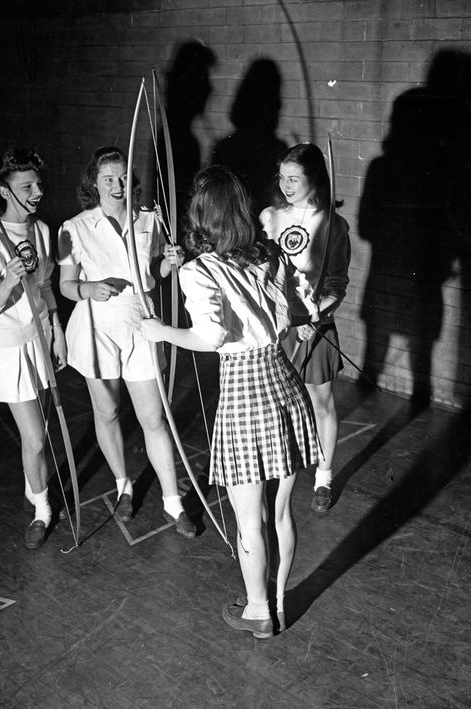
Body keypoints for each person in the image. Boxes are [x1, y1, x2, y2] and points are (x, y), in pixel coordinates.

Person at [141, 166, 319, 638]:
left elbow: (211, 335)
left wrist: (160, 331)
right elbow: (286, 319)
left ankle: (258, 610)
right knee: (278, 513)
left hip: (244, 394)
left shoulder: (200, 271)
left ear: (201, 217)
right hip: (282, 381)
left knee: (249, 520)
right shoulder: (263, 260)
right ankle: (276, 603)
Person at [57, 146, 196, 538]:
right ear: (94, 184)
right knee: (108, 413)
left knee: (153, 418)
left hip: (140, 323)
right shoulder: (72, 228)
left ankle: (172, 501)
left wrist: (171, 261)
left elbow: (156, 273)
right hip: (96, 328)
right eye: (108, 180)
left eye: (122, 178)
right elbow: (66, 286)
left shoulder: (149, 220)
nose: (117, 186)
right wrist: (89, 286)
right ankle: (123, 484)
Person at [0, 147, 66, 550]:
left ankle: (35, 484)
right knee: (36, 439)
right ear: (5, 192)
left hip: (40, 337)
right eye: (27, 186)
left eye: (38, 184)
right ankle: (42, 510)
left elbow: (44, 285)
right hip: (9, 348)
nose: (37, 191)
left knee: (39, 432)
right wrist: (7, 282)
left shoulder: (41, 230)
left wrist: (57, 328)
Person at [261, 143, 350, 513]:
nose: (285, 185)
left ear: (313, 179)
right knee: (276, 406)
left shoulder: (333, 223)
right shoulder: (270, 216)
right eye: (282, 177)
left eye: (294, 178)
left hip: (315, 327)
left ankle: (324, 476)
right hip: (277, 328)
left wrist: (317, 318)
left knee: (321, 403)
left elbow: (336, 286)